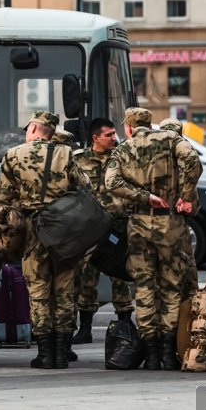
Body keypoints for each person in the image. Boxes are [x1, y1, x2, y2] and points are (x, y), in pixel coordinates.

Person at [105, 107, 201, 370]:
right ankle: (169, 353)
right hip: (170, 223)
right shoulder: (170, 140)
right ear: (150, 123)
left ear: (128, 127)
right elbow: (192, 159)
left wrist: (143, 197)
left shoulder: (123, 149)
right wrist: (186, 194)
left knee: (144, 287)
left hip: (139, 224)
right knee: (171, 286)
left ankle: (151, 354)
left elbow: (111, 182)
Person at [0, 111, 89, 369]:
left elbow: (2, 197)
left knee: (38, 291)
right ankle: (61, 352)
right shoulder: (66, 154)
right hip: (63, 232)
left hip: (33, 232)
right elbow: (83, 186)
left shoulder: (14, 155)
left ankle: (45, 353)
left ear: (35, 128)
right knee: (64, 291)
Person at [71, 118, 134, 344]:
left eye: (114, 134)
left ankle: (125, 325)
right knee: (87, 276)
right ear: (95, 137)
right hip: (90, 227)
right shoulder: (78, 160)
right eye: (108, 135)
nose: (113, 138)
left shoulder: (122, 158)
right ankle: (85, 328)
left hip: (117, 224)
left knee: (120, 275)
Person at [158, 117, 201, 299]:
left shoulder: (153, 160)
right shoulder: (186, 160)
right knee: (185, 276)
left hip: (156, 225)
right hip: (177, 225)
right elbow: (193, 206)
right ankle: (185, 321)